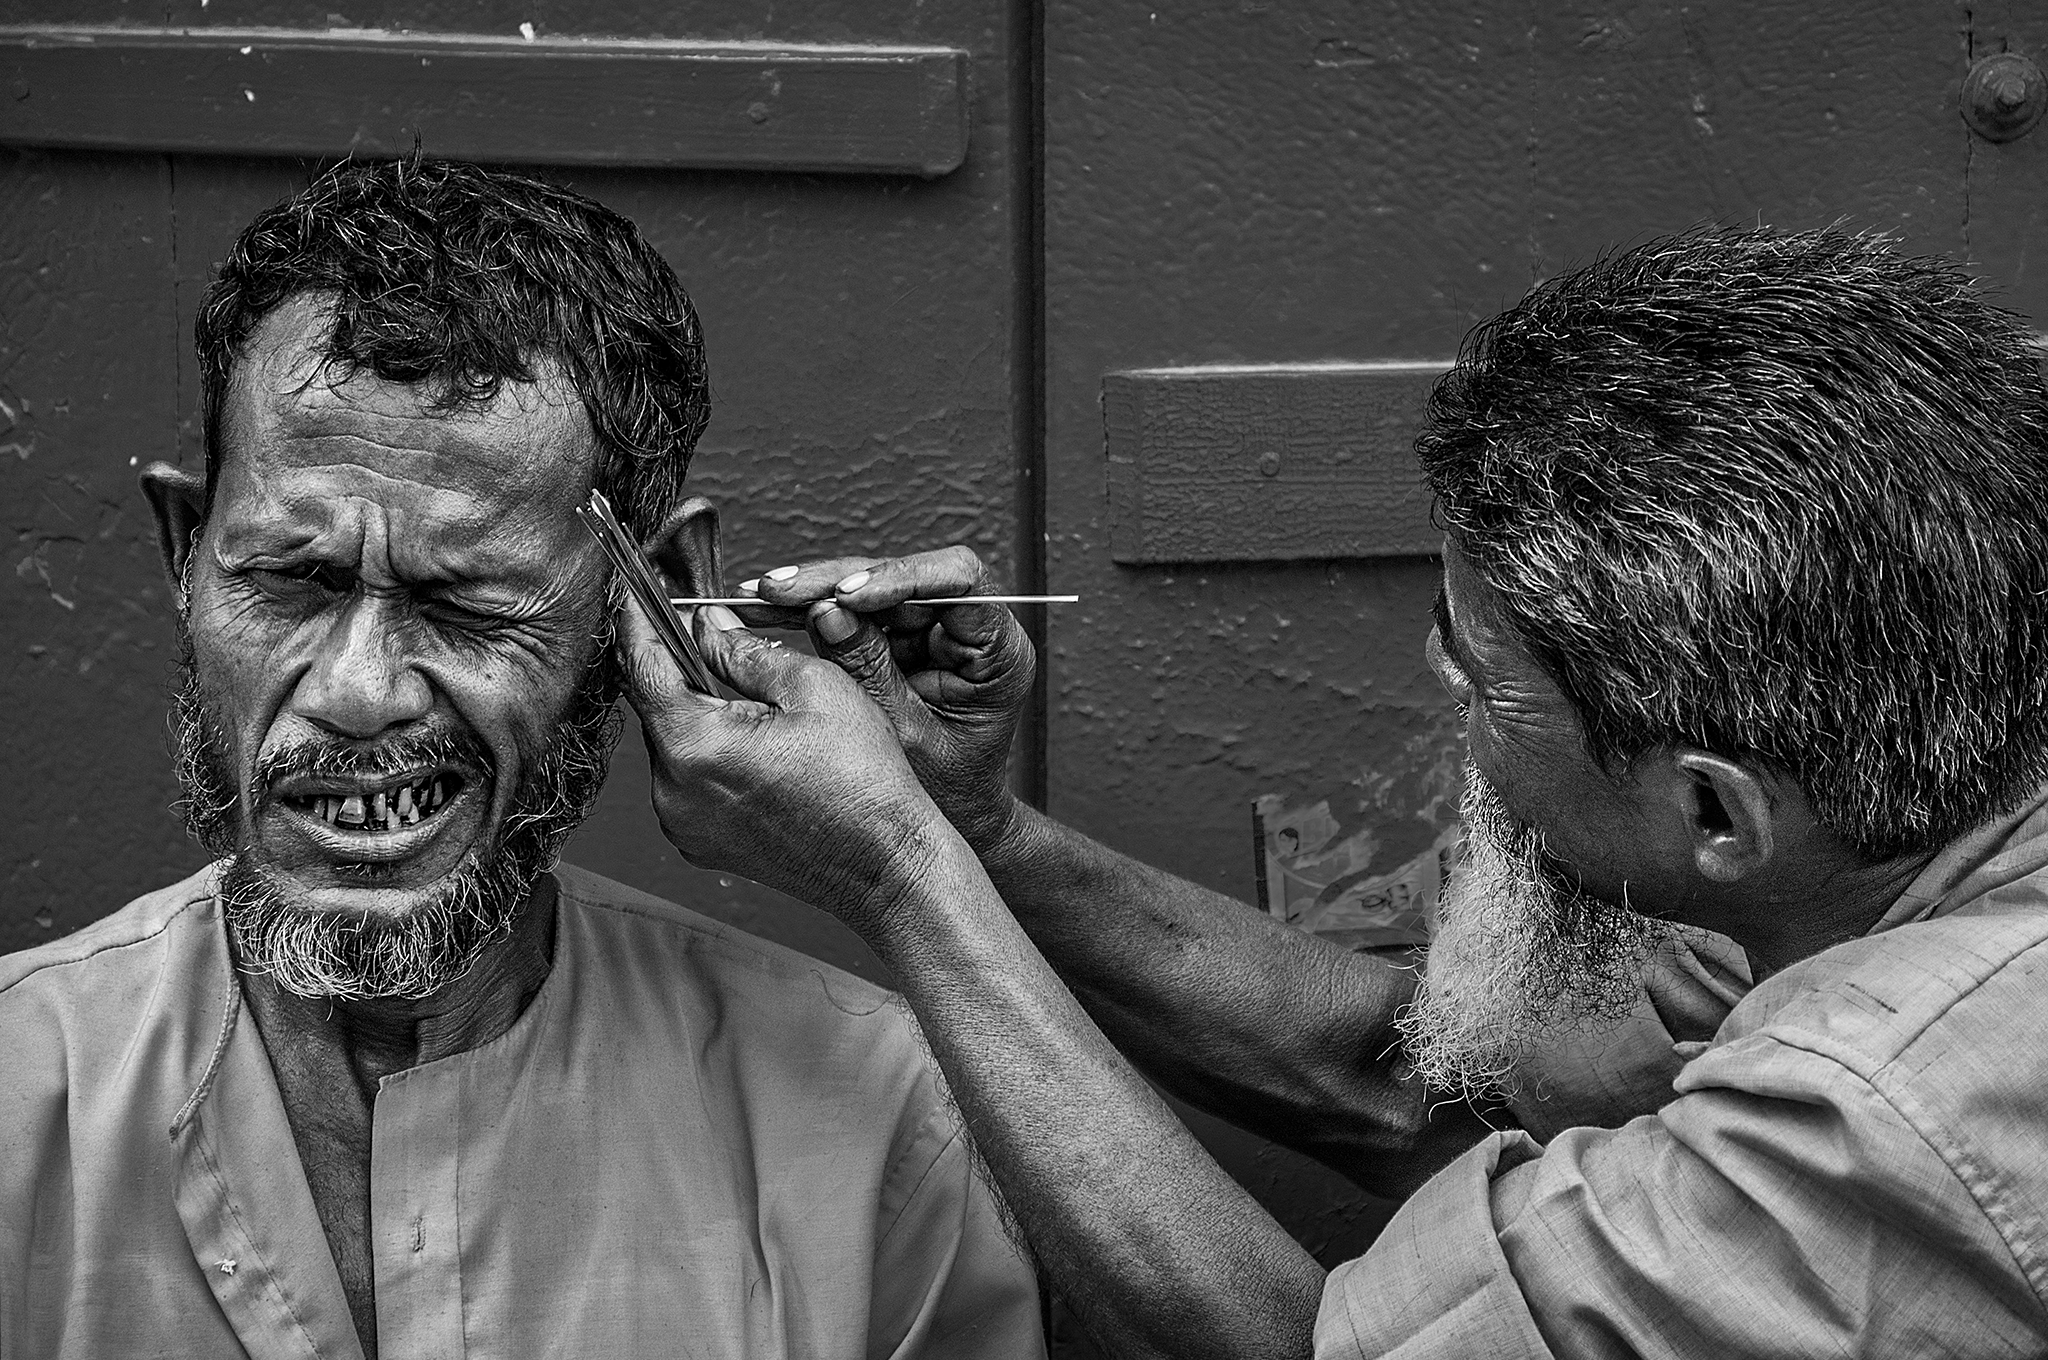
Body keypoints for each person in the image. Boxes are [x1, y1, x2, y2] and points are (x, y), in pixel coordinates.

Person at [621, 228, 2048, 1358]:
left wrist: (892, 871)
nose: (1434, 670)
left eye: (1480, 676)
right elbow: (1422, 1090)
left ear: (1720, 816)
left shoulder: (1884, 1111)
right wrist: (977, 833)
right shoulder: (1879, 847)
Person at [0, 158, 1042, 1360]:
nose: (353, 692)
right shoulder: (20, 1090)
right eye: (291, 580)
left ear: (653, 597)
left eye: (469, 602)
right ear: (188, 553)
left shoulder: (867, 1128)